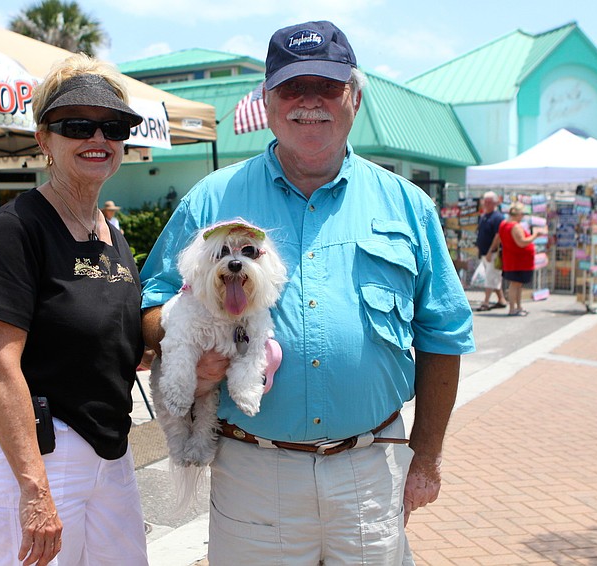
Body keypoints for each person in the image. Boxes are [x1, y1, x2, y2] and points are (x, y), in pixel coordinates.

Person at [141, 20, 475, 565]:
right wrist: (184, 341)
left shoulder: (408, 206)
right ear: (268, 102)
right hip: (252, 473)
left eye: (327, 86)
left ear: (356, 98)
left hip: (369, 470)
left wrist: (427, 458)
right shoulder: (211, 201)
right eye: (293, 87)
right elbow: (149, 307)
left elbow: (444, 335)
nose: (310, 103)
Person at [0, 54, 148, 566]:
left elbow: (118, 343)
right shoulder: (17, 229)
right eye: (77, 125)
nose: (98, 139)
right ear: (44, 139)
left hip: (108, 448)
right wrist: (35, 490)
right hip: (30, 452)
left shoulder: (114, 237)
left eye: (112, 127)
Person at [488, 202, 539, 316]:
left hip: (513, 259)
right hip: (518, 260)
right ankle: (513, 308)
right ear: (518, 214)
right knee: (515, 285)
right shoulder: (515, 226)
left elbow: (498, 238)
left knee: (517, 284)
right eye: (522, 214)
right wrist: (535, 235)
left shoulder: (503, 224)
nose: (523, 217)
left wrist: (491, 251)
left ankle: (518, 307)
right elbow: (521, 242)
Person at [475, 191, 507, 311]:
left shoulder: (498, 217)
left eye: (489, 202)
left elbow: (498, 236)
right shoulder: (484, 216)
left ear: (495, 203)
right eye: (485, 201)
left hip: (493, 254)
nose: (487, 204)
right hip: (484, 253)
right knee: (493, 277)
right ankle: (501, 300)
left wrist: (490, 251)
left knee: (490, 277)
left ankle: (486, 302)